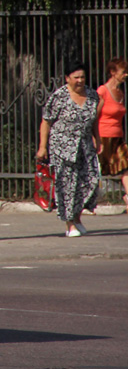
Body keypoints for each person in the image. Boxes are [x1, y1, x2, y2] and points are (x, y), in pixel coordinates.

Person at [36, 60, 102, 237]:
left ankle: (78, 216)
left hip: (85, 145)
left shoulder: (93, 96)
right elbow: (46, 122)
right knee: (67, 185)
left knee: (90, 181)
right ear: (67, 78)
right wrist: (42, 147)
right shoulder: (59, 97)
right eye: (76, 77)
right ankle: (69, 223)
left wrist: (98, 139)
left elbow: (94, 120)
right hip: (63, 147)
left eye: (82, 77)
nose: (80, 81)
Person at [96, 57, 128, 210]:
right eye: (123, 72)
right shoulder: (103, 91)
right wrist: (94, 138)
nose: (126, 74)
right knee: (99, 170)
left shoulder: (120, 92)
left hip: (118, 137)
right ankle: (86, 202)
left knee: (126, 166)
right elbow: (94, 115)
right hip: (103, 137)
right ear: (113, 72)